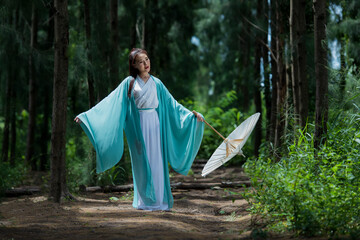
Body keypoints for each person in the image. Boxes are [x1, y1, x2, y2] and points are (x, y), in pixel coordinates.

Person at [75, 48, 204, 211]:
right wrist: (86, 116)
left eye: (147, 59)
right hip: (139, 128)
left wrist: (193, 116)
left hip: (156, 126)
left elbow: (174, 105)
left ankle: (159, 201)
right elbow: (109, 102)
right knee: (141, 163)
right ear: (134, 65)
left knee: (157, 162)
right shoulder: (129, 83)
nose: (145, 63)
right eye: (141, 61)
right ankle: (145, 201)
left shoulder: (157, 83)